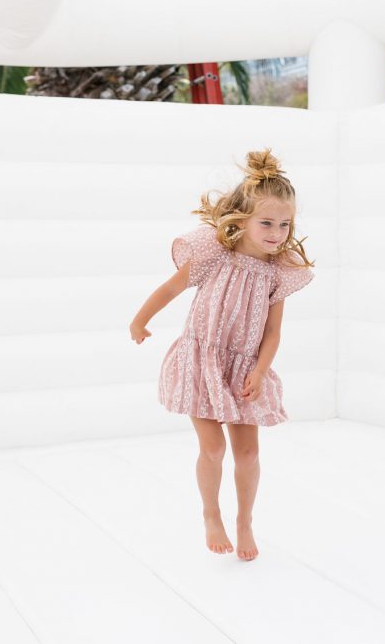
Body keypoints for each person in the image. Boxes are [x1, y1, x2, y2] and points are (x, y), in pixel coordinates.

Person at [129, 148, 315, 561]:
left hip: (245, 370)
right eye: (266, 222)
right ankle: (211, 514)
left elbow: (273, 331)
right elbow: (171, 288)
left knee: (248, 454)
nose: (276, 232)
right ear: (243, 219)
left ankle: (244, 521)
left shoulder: (278, 270)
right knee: (213, 449)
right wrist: (140, 320)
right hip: (202, 362)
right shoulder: (215, 254)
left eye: (284, 224)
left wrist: (261, 371)